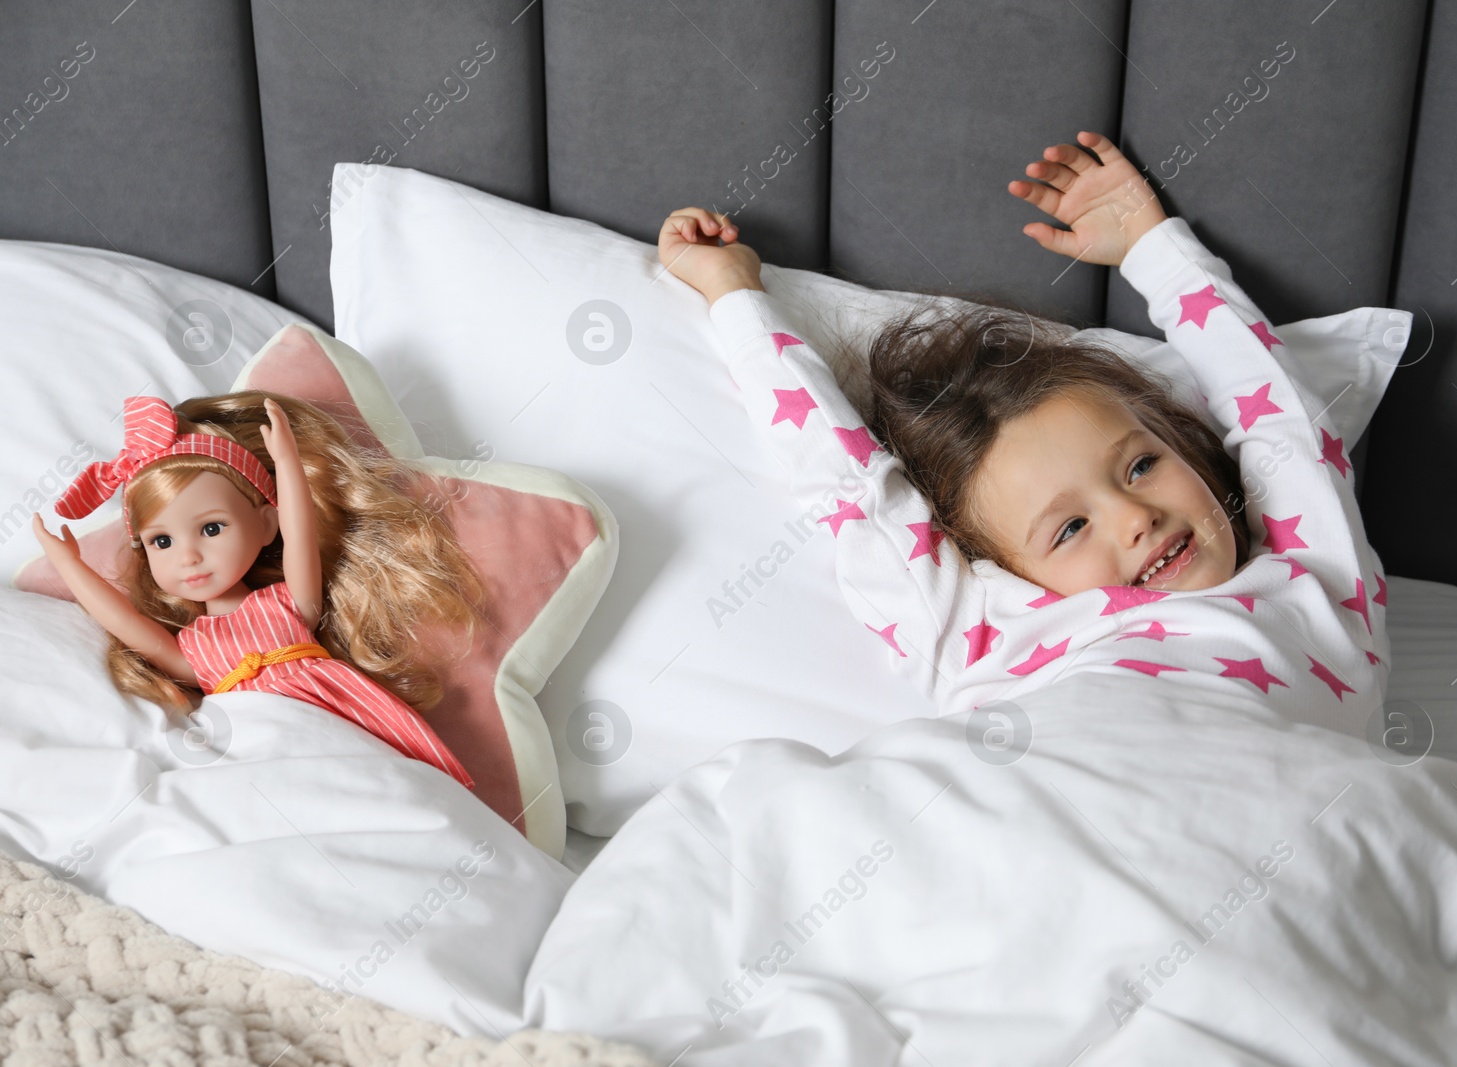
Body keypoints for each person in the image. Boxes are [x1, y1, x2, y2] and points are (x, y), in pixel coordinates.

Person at [656, 131, 1388, 736]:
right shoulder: (985, 634)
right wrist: (733, 294)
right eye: (1069, 528)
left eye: (1138, 467)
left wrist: (1151, 244)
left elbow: (1279, 417)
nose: (1136, 518)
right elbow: (851, 491)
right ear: (1000, 571)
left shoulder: (1316, 581)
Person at [32, 391, 482, 786]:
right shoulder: (191, 649)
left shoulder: (288, 603)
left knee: (379, 780)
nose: (188, 556)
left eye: (211, 528)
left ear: (267, 523)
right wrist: (70, 566)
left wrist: (287, 463)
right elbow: (125, 622)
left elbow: (300, 536)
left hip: (335, 717)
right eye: (162, 541)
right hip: (256, 742)